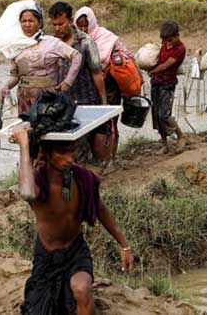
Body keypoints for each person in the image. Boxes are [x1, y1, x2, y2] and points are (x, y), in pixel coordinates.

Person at [11, 121, 133, 315]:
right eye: (62, 153)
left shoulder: (82, 179)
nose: (69, 159)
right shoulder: (39, 183)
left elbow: (101, 210)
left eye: (72, 151)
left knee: (81, 289)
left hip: (75, 251)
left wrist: (124, 245)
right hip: (46, 257)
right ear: (47, 154)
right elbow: (26, 192)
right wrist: (24, 146)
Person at [0, 3, 81, 114]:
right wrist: (6, 87)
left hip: (48, 97)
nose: (27, 25)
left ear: (40, 23)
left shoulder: (51, 43)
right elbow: (15, 76)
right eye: (24, 21)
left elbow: (76, 56)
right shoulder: (16, 47)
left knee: (46, 127)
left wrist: (67, 82)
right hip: (25, 98)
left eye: (30, 21)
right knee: (26, 127)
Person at [74, 7, 134, 107]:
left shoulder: (106, 37)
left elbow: (127, 54)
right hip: (87, 89)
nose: (83, 29)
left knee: (109, 116)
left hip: (109, 86)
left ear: (92, 23)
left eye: (86, 25)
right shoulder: (75, 41)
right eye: (80, 26)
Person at [49, 2, 107, 107]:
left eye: (61, 24)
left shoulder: (86, 42)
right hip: (61, 103)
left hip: (85, 100)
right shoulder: (51, 44)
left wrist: (104, 103)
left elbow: (97, 73)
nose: (57, 28)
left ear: (71, 21)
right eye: (54, 25)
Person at [148, 22, 185, 153]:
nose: (167, 42)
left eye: (170, 40)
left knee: (164, 114)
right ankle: (165, 145)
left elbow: (165, 66)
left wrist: (153, 71)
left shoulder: (180, 49)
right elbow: (158, 59)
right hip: (156, 82)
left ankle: (181, 136)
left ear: (177, 36)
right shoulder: (164, 44)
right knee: (157, 117)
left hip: (167, 84)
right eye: (164, 40)